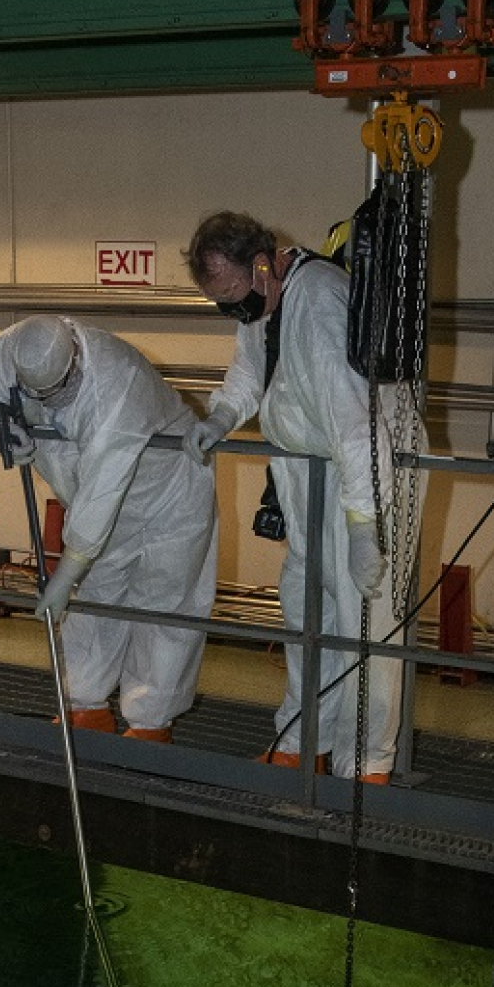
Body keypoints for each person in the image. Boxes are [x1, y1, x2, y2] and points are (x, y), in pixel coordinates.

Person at [184, 211, 420, 782]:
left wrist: (365, 527)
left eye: (233, 296)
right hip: (310, 483)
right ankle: (303, 739)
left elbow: (355, 425)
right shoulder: (265, 300)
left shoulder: (318, 305)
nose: (231, 311)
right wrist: (221, 414)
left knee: (365, 623)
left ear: (262, 265)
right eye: (220, 302)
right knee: (307, 615)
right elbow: (250, 370)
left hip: (363, 482)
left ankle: (366, 763)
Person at [0, 315, 217, 742]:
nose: (47, 400)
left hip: (169, 495)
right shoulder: (20, 345)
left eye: (55, 391)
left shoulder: (118, 381)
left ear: (75, 359)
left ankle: (151, 722)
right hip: (94, 499)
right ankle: (86, 706)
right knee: (97, 595)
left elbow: (104, 489)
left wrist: (66, 572)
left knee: (163, 601)